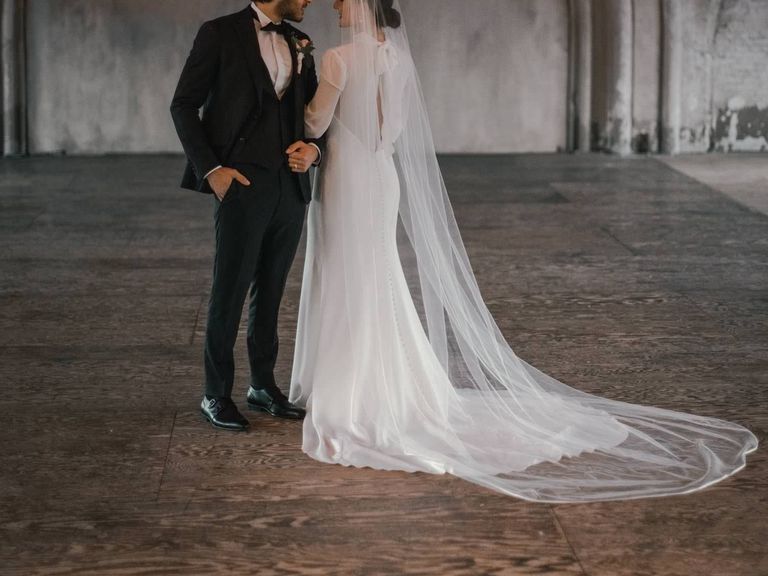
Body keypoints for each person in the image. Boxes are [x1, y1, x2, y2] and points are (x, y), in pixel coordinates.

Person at [288, 0, 758, 502]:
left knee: (349, 270)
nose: (335, 4)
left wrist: (299, 102)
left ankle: (351, 388)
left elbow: (315, 124)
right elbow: (394, 129)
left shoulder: (338, 59)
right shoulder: (397, 59)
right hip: (383, 173)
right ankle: (393, 378)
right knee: (379, 272)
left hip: (348, 176)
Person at [171, 0, 324, 431]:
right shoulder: (219, 33)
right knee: (230, 290)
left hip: (289, 188)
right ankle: (215, 394)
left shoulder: (299, 42)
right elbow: (183, 105)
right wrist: (213, 171)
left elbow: (317, 113)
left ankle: (262, 385)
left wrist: (315, 150)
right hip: (240, 184)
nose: (309, 1)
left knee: (271, 290)